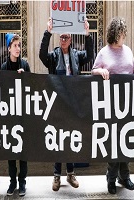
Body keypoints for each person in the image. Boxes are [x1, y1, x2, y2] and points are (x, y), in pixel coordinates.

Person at [91, 17, 134, 194]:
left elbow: (132, 71)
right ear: (115, 33)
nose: (124, 35)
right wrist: (100, 71)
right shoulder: (104, 52)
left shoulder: (128, 51)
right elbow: (94, 70)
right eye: (122, 32)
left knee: (127, 141)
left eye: (123, 32)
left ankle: (124, 177)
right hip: (111, 105)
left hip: (128, 104)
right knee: (113, 143)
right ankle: (111, 178)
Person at [39, 18, 94, 191]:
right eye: (61, 37)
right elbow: (41, 55)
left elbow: (90, 55)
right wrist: (47, 33)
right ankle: (56, 175)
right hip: (57, 103)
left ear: (71, 39)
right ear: (58, 38)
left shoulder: (77, 55)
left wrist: (87, 35)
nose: (63, 40)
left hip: (73, 103)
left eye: (66, 37)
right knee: (58, 138)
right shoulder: (53, 56)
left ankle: (70, 174)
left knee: (70, 138)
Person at [1, 33, 30, 197]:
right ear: (9, 48)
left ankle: (23, 182)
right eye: (15, 46)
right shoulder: (4, 67)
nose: (18, 49)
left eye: (19, 45)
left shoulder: (25, 65)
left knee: (23, 152)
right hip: (9, 116)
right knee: (11, 152)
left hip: (23, 116)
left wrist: (24, 78)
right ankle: (12, 182)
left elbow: (32, 88)